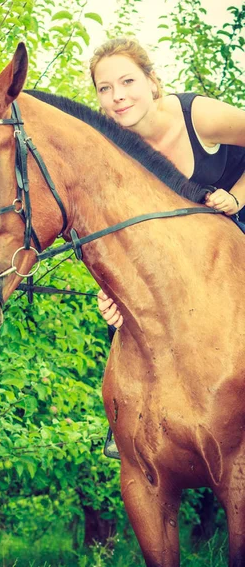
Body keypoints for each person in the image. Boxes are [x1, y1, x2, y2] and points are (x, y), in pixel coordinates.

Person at [90, 38, 245, 458]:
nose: (118, 96)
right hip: (185, 249)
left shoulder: (199, 117)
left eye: (127, 81)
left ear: (152, 81)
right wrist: (112, 292)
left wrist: (238, 194)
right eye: (105, 89)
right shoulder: (117, 149)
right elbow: (122, 237)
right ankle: (126, 421)